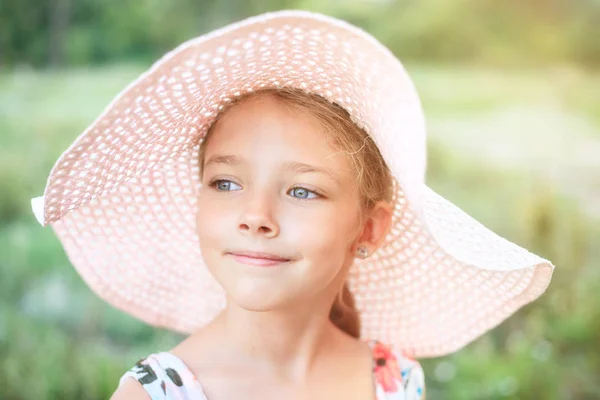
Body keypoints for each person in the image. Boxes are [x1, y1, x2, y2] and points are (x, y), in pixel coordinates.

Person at [31, 10, 554, 400]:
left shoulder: (394, 380)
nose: (255, 215)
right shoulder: (157, 393)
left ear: (368, 230)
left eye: (302, 191)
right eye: (225, 183)